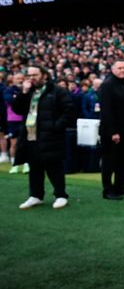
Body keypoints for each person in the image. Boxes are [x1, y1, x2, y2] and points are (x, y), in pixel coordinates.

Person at [11, 65, 74, 209]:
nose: (32, 78)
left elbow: (68, 111)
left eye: (35, 75)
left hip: (50, 135)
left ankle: (60, 195)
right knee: (34, 167)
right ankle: (35, 195)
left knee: (54, 166)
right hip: (30, 134)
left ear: (44, 75)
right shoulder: (28, 92)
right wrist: (23, 93)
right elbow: (17, 109)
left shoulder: (58, 91)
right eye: (29, 76)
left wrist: (55, 127)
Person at [98, 60, 124, 200]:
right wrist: (112, 132)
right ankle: (108, 190)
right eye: (120, 68)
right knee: (109, 162)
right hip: (112, 132)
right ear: (113, 69)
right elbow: (106, 111)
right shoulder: (107, 86)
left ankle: (119, 186)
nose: (123, 70)